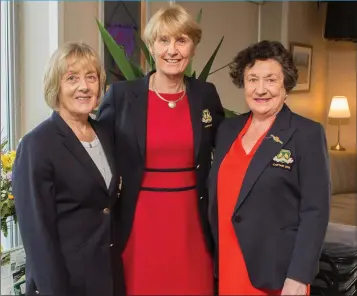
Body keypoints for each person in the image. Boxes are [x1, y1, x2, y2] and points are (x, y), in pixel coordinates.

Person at [96, 4, 224, 295]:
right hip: (140, 226)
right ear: (151, 47)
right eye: (163, 40)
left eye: (182, 40)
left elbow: (228, 148)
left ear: (193, 46)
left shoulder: (206, 95)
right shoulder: (121, 97)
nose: (172, 50)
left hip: (193, 227)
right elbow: (95, 154)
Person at [208, 40, 330, 295]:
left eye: (271, 79)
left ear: (286, 85)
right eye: (252, 79)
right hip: (229, 265)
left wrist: (299, 275)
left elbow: (315, 211)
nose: (260, 89)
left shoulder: (306, 134)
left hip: (278, 273)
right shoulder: (227, 130)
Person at [12, 42, 125, 296]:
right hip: (66, 283)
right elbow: (37, 235)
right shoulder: (37, 145)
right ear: (56, 87)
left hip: (109, 278)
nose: (84, 86)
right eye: (72, 78)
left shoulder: (105, 133)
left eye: (91, 77)